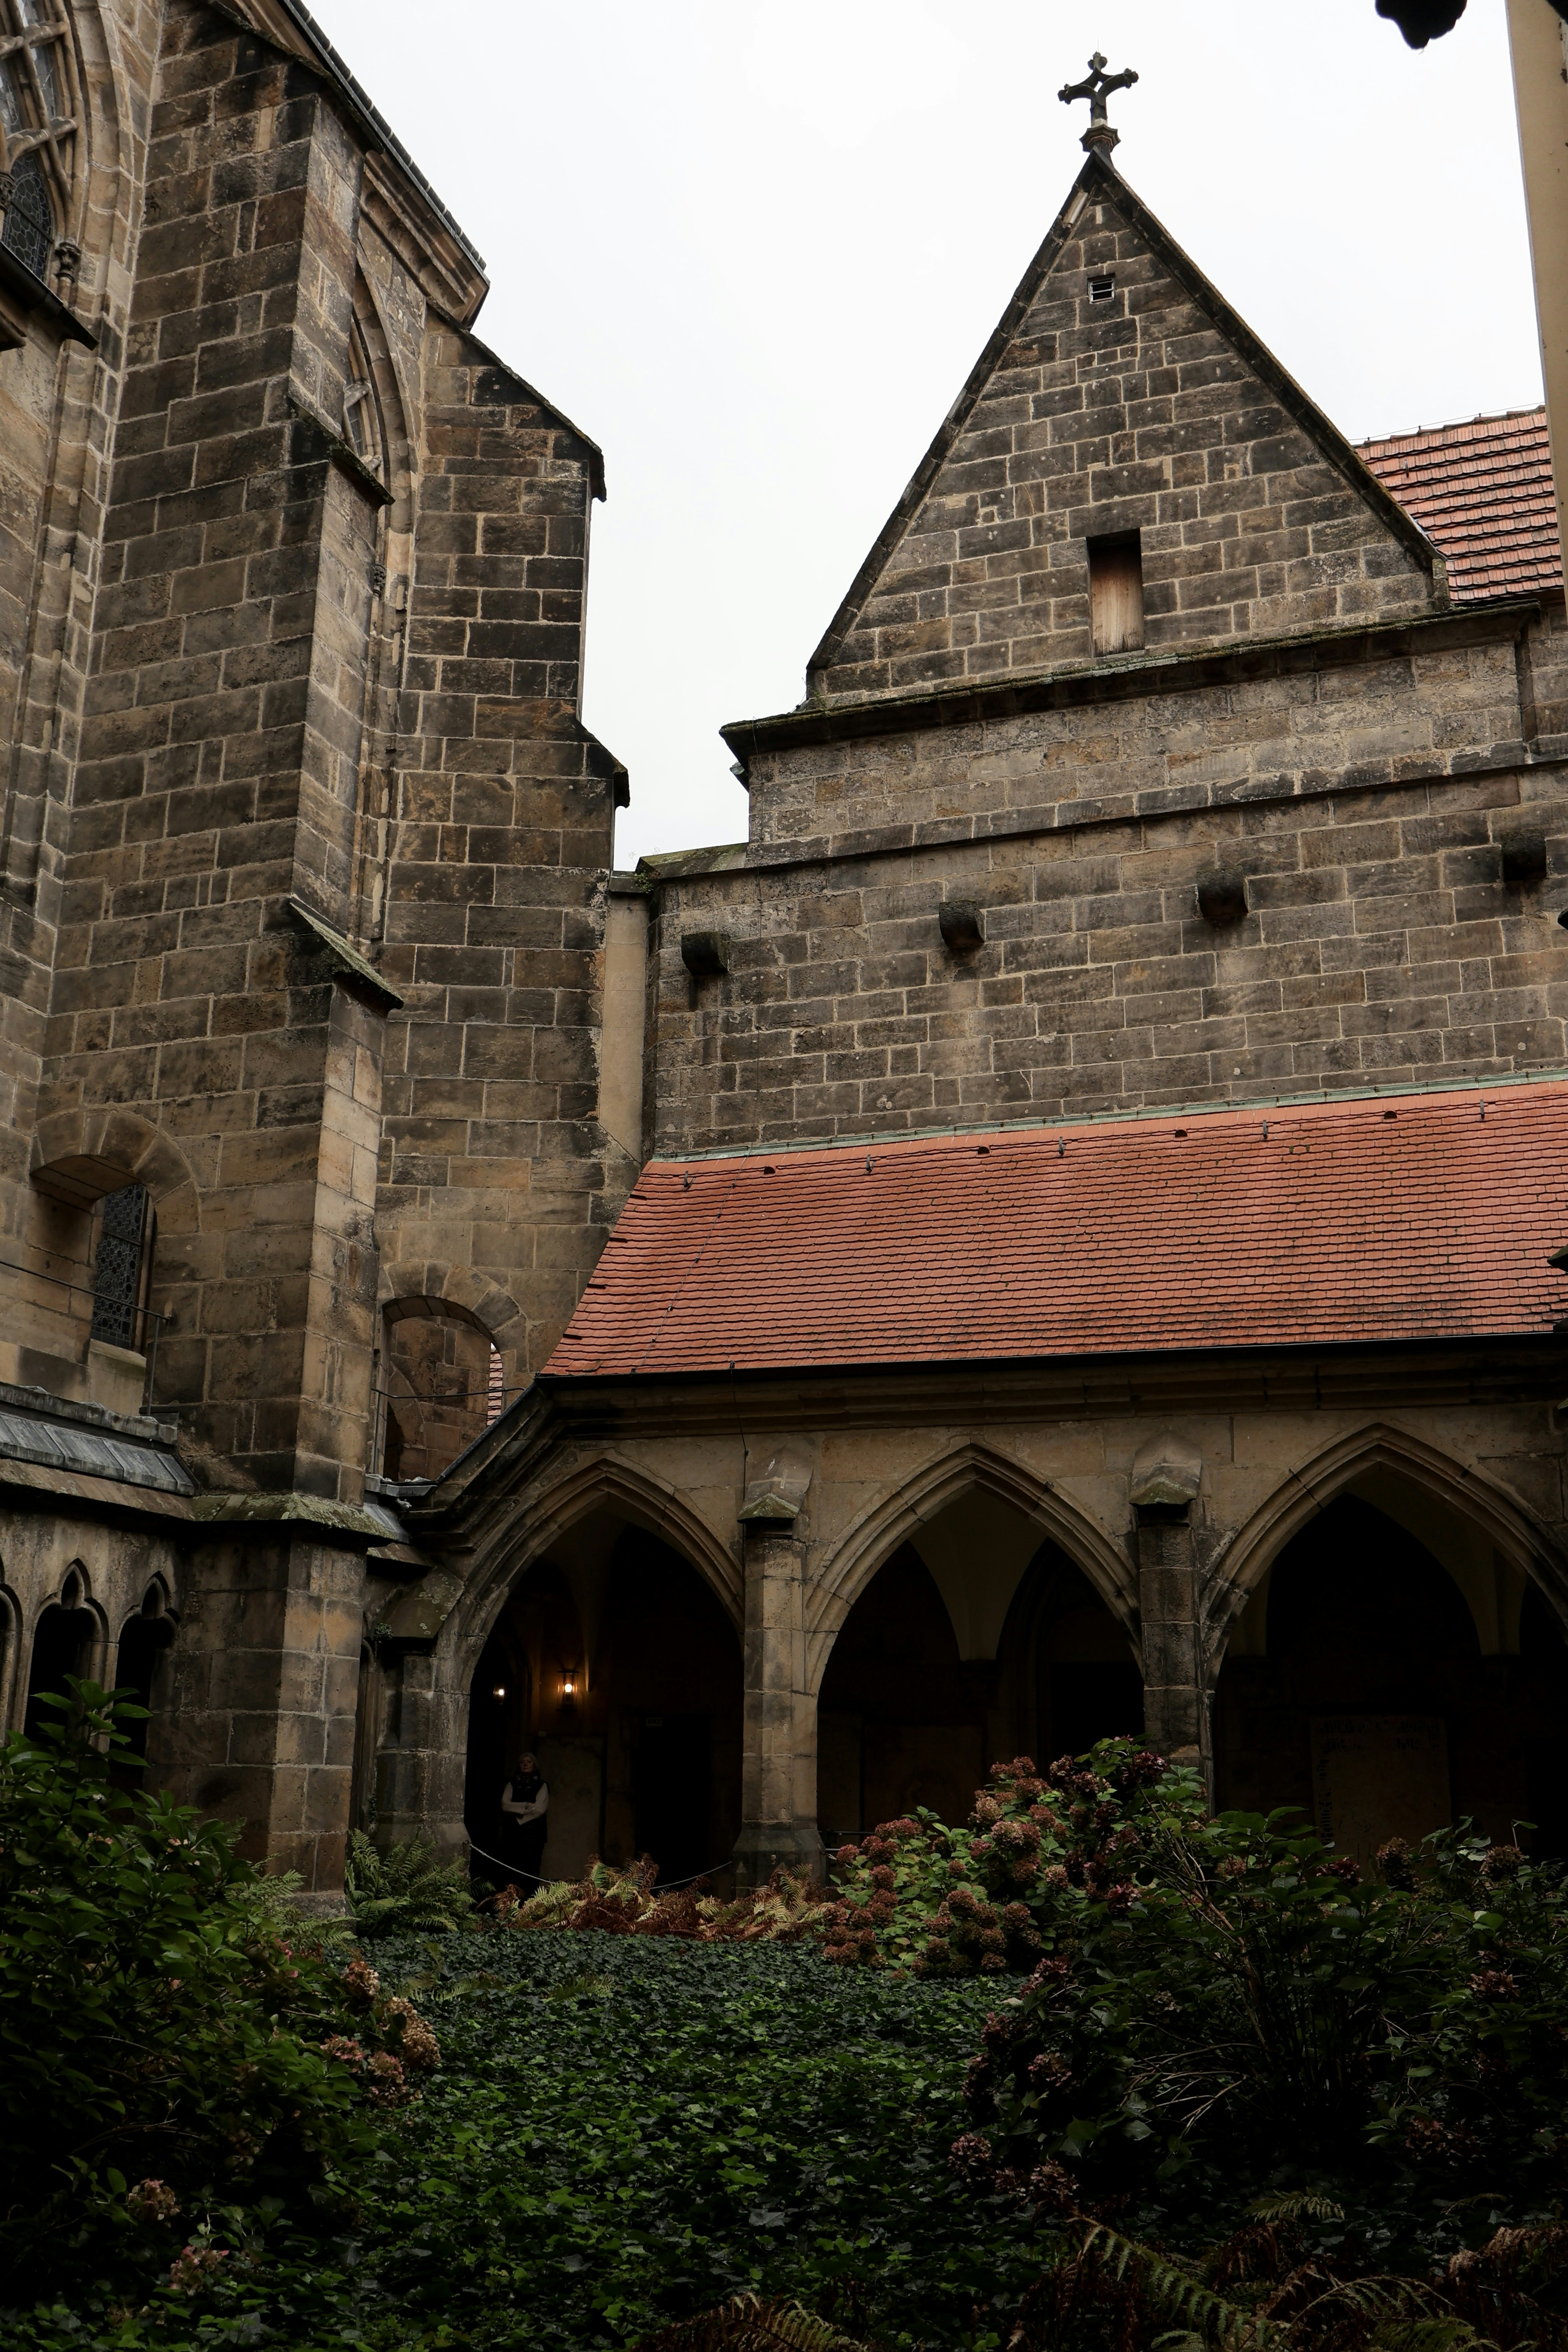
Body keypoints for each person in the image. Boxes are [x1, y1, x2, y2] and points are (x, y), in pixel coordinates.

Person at [500, 1749, 549, 1886]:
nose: (526, 1765)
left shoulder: (542, 1785)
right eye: (522, 1762)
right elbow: (505, 1805)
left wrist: (518, 1814)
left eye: (529, 1762)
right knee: (512, 1871)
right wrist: (527, 1806)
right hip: (512, 1836)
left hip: (534, 1837)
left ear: (535, 1765)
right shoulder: (511, 1785)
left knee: (531, 1872)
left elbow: (539, 1809)